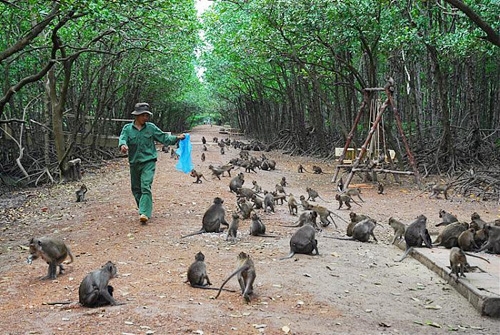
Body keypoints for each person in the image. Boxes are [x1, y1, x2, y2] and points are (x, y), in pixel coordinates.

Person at [118, 102, 185, 224]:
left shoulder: (151, 128)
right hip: (134, 162)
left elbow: (164, 138)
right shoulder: (127, 128)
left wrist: (177, 138)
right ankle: (144, 207)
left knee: (145, 186)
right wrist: (123, 145)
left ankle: (144, 213)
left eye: (147, 115)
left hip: (148, 161)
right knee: (136, 189)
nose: (146, 117)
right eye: (143, 115)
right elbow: (122, 138)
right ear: (137, 116)